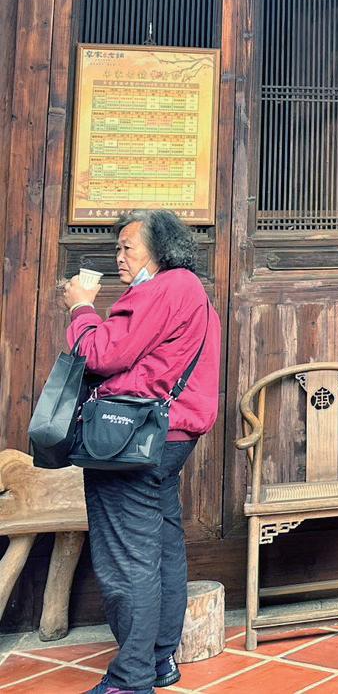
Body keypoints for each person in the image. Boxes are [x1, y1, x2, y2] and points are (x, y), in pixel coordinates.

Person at [62, 210, 222, 694]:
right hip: (168, 438)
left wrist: (81, 309)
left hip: (131, 441)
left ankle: (131, 679)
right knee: (162, 546)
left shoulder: (163, 288)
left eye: (127, 247)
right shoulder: (190, 290)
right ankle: (159, 660)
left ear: (159, 249)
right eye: (118, 248)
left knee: (127, 558)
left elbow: (102, 353)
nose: (119, 257)